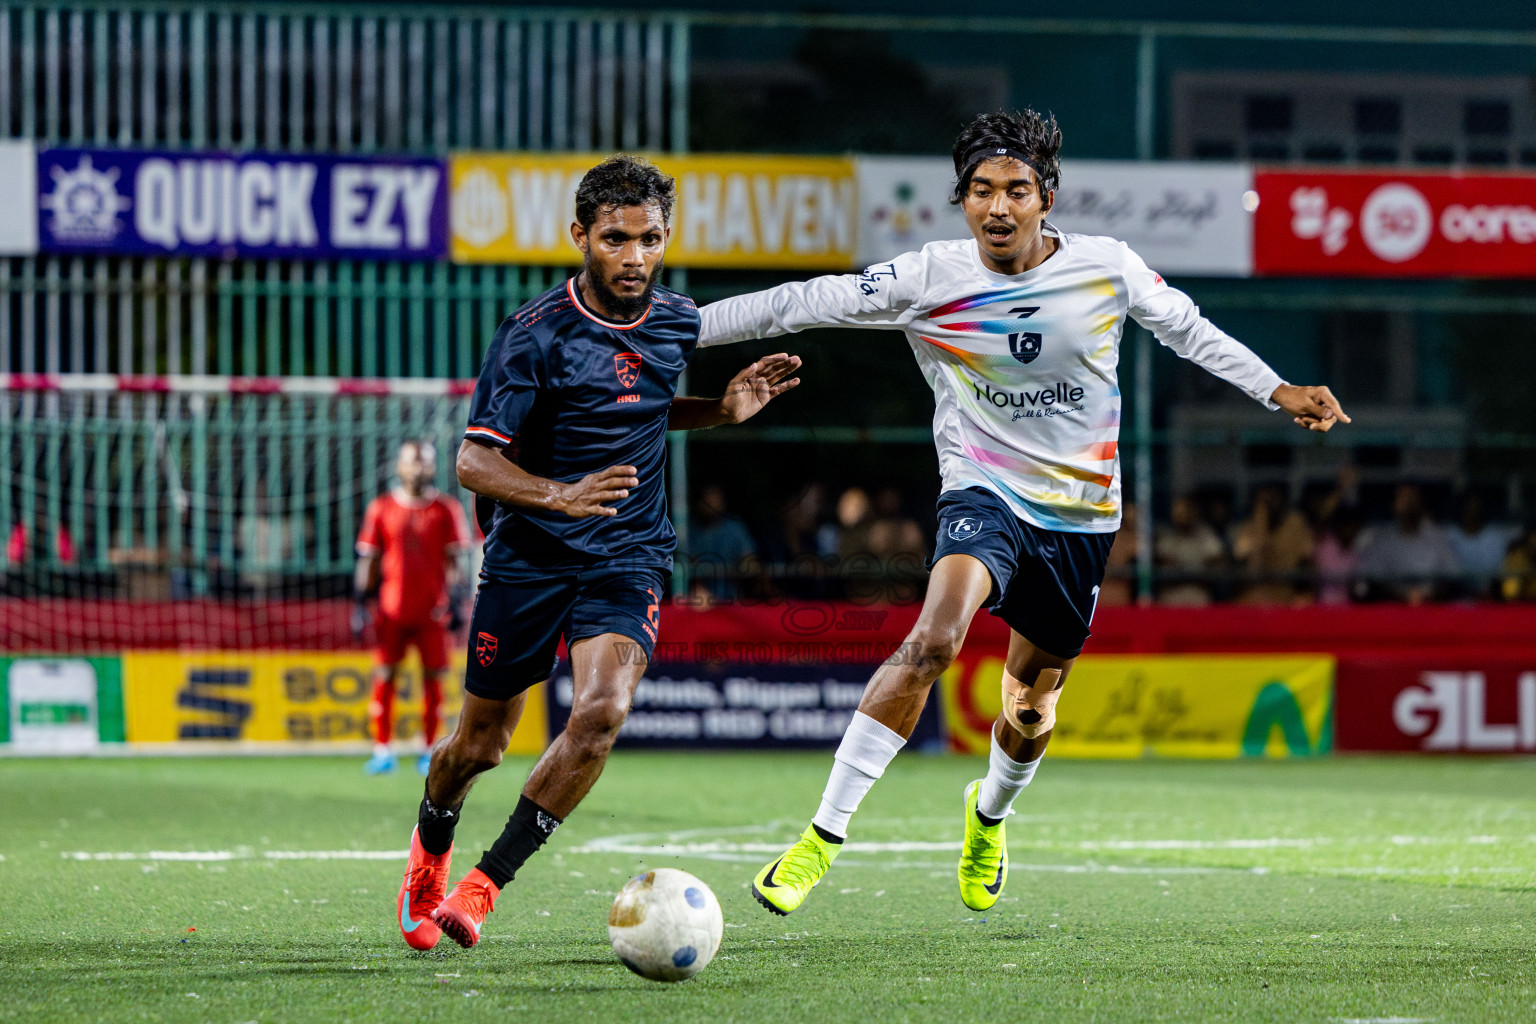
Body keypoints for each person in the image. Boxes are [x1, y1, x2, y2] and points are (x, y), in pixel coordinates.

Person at [697, 109, 1349, 916]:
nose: (997, 206)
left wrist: (1278, 389)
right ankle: (820, 839)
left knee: (1030, 708)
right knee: (934, 640)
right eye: (980, 190)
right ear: (962, 200)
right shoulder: (929, 279)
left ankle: (989, 815)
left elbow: (1188, 330)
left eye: (1015, 189)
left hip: (1080, 519)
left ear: (1047, 198)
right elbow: (800, 302)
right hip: (984, 494)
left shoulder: (1106, 267)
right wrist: (674, 330)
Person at [395, 154, 802, 953]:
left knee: (603, 710)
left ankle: (483, 886)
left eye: (650, 239)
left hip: (628, 552)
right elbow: (473, 461)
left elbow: (641, 407)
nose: (635, 256)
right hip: (530, 554)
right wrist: (560, 494)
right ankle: (431, 847)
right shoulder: (533, 334)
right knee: (479, 746)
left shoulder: (676, 320)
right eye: (616, 239)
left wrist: (719, 411)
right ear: (581, 235)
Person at [353, 440, 471, 777]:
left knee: (434, 681)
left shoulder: (446, 509)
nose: (417, 468)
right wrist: (360, 602)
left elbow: (456, 561)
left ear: (433, 467)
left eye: (424, 461)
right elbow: (369, 559)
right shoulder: (381, 507)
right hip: (391, 611)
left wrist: (458, 601)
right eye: (411, 461)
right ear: (398, 466)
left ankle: (428, 750)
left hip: (433, 612)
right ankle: (383, 750)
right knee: (384, 676)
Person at [1356, 483, 1459, 604]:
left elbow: (1452, 576)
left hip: (1431, 605)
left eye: (1411, 498)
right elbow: (1372, 579)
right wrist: (1402, 596)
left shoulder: (1437, 536)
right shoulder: (1383, 537)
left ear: (1420, 502)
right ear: (1394, 505)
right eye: (1402, 498)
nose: (1408, 504)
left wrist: (1429, 596)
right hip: (1393, 606)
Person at [1230, 483, 1314, 605]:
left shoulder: (1296, 524)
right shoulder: (1248, 528)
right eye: (1264, 501)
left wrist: (1302, 593)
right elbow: (1252, 567)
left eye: (1274, 498)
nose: (1270, 504)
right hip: (1255, 597)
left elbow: (1306, 563)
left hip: (1287, 595)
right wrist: (1261, 525)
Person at [1154, 494, 1226, 606]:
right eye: (1178, 512)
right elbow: (1162, 563)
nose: (1182, 516)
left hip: (1199, 602)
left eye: (1186, 511)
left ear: (1194, 511)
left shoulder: (1206, 535)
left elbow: (1219, 563)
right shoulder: (1167, 536)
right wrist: (1194, 569)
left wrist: (1189, 570)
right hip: (1171, 603)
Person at [1445, 493, 1515, 599]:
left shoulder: (1495, 536)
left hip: (1490, 595)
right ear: (1462, 512)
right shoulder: (1449, 534)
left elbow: (1500, 572)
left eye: (1476, 511)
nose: (1472, 515)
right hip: (1456, 595)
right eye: (1469, 511)